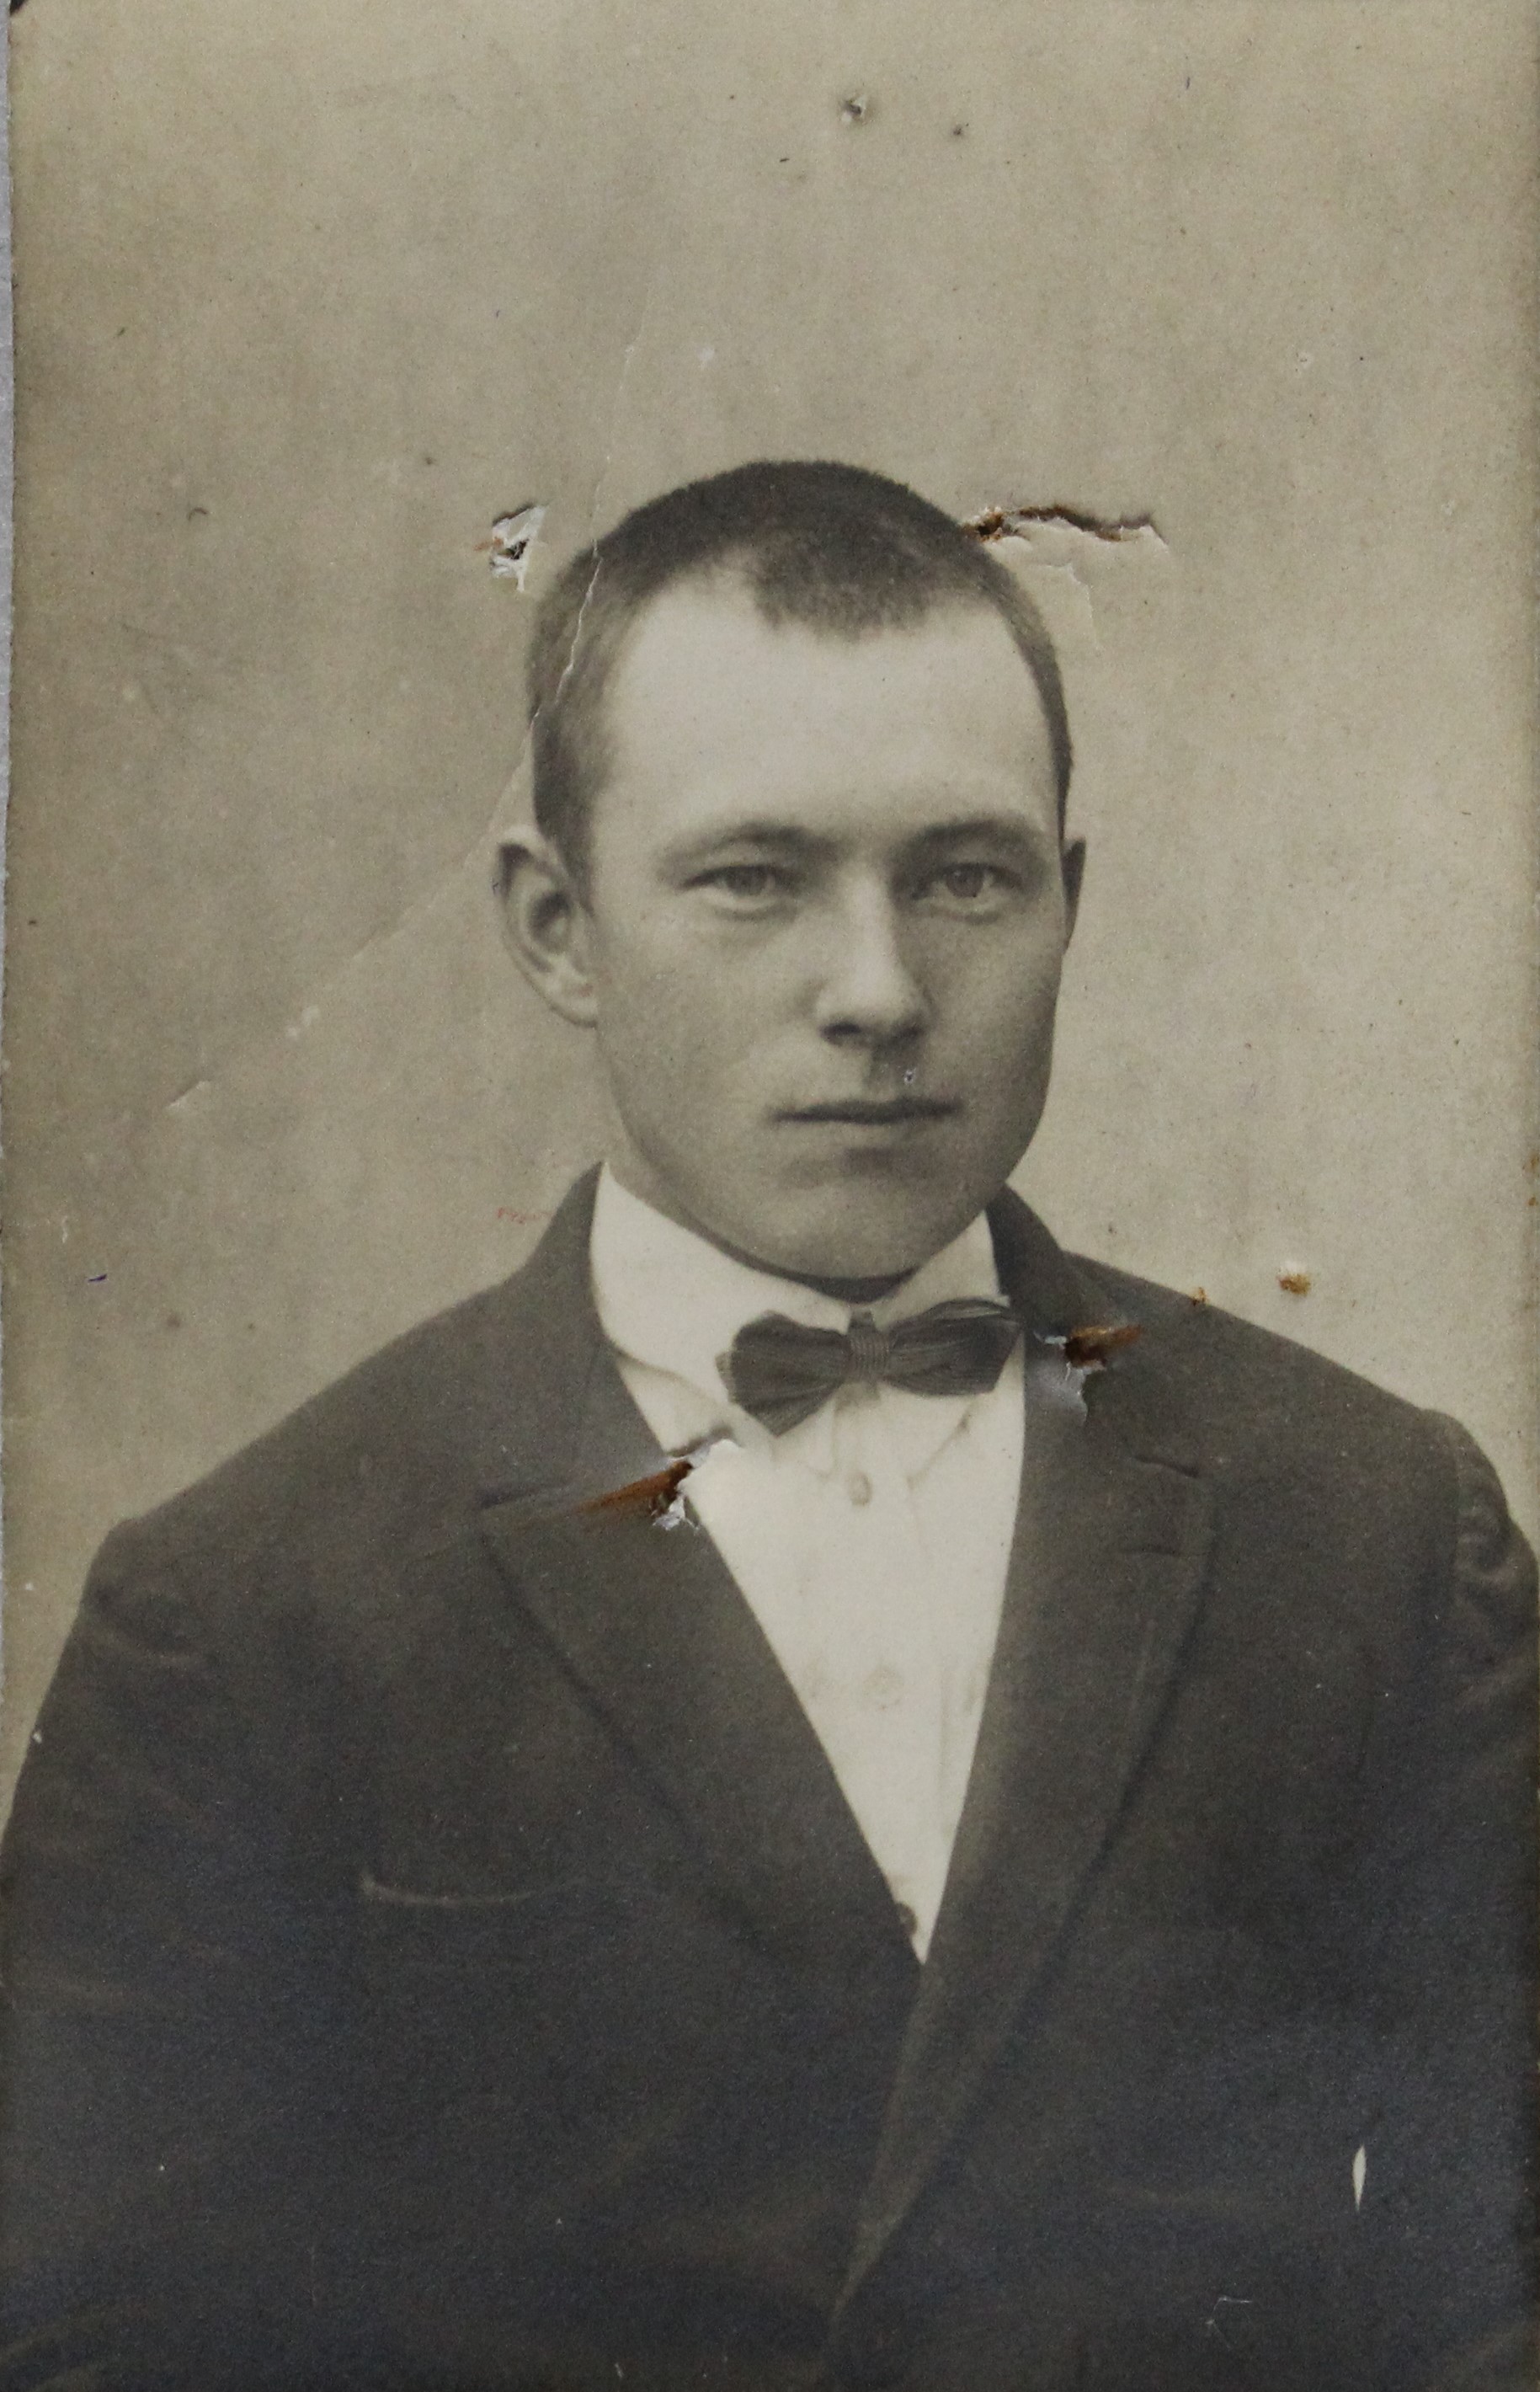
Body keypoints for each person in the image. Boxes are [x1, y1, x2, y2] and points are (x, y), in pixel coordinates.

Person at [1, 461, 1534, 2392]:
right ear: (556, 926)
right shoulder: (242, 1611)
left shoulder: (1379, 1528)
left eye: (967, 876)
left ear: (1072, 902)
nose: (879, 991)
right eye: (754, 879)